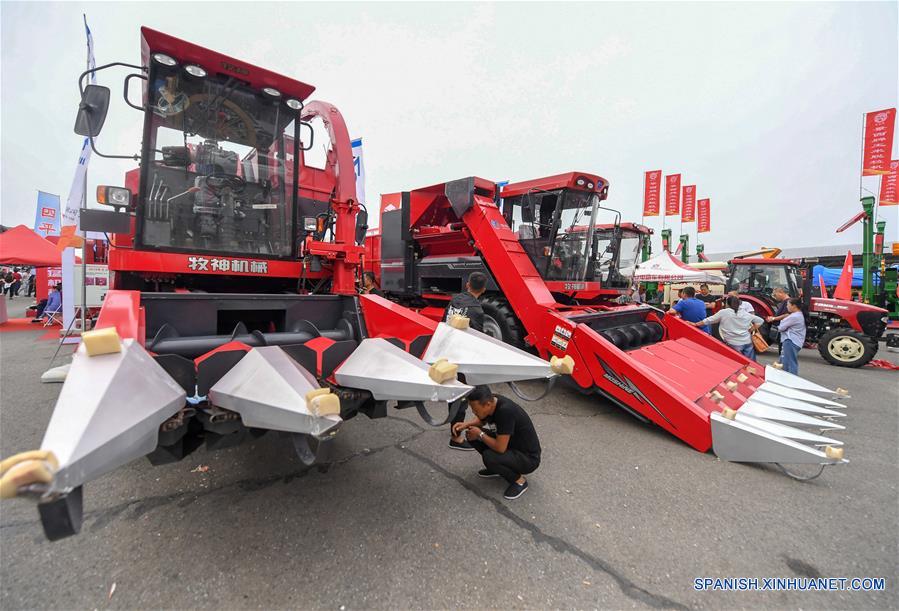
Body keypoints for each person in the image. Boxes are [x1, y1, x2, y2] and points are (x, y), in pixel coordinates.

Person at [451, 385, 541, 500]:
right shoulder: (493, 401)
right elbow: (481, 420)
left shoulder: (505, 412)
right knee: (471, 434)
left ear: (487, 404)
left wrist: (480, 434)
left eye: (475, 409)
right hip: (511, 444)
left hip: (528, 458)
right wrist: (466, 425)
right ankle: (497, 468)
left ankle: (519, 481)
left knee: (489, 456)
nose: (474, 412)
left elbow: (500, 448)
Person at [444, 272, 487, 450]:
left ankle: (462, 428)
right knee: (462, 397)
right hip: (463, 359)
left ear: (467, 284)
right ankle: (456, 439)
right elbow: (476, 338)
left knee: (456, 394)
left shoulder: (454, 300)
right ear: (483, 289)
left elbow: (443, 322)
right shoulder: (477, 310)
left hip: (448, 352)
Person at [692, 295, 764, 360]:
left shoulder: (724, 312)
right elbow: (760, 321)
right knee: (751, 364)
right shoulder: (744, 313)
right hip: (747, 342)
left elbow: (708, 320)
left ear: (727, 304)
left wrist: (695, 324)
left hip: (733, 343)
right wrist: (751, 329)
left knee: (737, 364)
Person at [777, 298, 806, 374]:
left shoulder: (794, 316)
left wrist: (782, 320)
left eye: (788, 305)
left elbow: (781, 328)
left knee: (789, 363)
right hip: (794, 341)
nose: (787, 306)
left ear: (794, 306)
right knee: (784, 361)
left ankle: (790, 379)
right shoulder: (799, 315)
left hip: (790, 341)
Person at [765, 287, 791, 355]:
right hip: (783, 329)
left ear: (781, 292)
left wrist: (773, 319)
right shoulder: (784, 302)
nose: (774, 297)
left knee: (783, 352)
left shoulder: (788, 302)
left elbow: (787, 315)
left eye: (775, 294)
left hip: (785, 330)